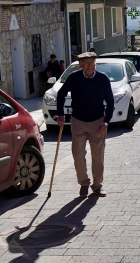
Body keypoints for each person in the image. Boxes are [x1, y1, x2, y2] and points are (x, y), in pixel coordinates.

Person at [56, 52, 114, 197]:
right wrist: (61, 114)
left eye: (92, 63)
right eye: (86, 64)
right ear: (81, 65)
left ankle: (97, 186)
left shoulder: (103, 79)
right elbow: (61, 94)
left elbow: (110, 102)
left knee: (98, 156)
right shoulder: (74, 78)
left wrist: (105, 122)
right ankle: (84, 183)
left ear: (95, 64)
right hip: (78, 121)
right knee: (78, 154)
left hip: (97, 122)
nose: (89, 66)